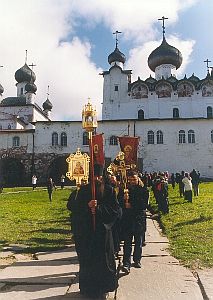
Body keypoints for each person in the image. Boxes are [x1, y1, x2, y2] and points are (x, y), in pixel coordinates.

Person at [67, 165, 120, 299]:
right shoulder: (83, 191)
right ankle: (87, 288)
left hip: (103, 233)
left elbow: (116, 211)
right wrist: (87, 207)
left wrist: (99, 209)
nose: (97, 178)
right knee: (87, 261)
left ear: (102, 177)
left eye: (99, 176)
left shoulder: (109, 190)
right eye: (94, 176)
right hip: (87, 234)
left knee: (103, 262)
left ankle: (103, 288)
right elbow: (75, 211)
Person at [118, 171, 149, 274]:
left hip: (138, 219)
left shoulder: (144, 190)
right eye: (130, 180)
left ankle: (137, 260)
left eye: (134, 179)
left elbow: (144, 205)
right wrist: (123, 201)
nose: (132, 181)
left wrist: (132, 205)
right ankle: (126, 263)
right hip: (127, 220)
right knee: (127, 243)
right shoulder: (125, 190)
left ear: (138, 179)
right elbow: (118, 204)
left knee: (138, 242)